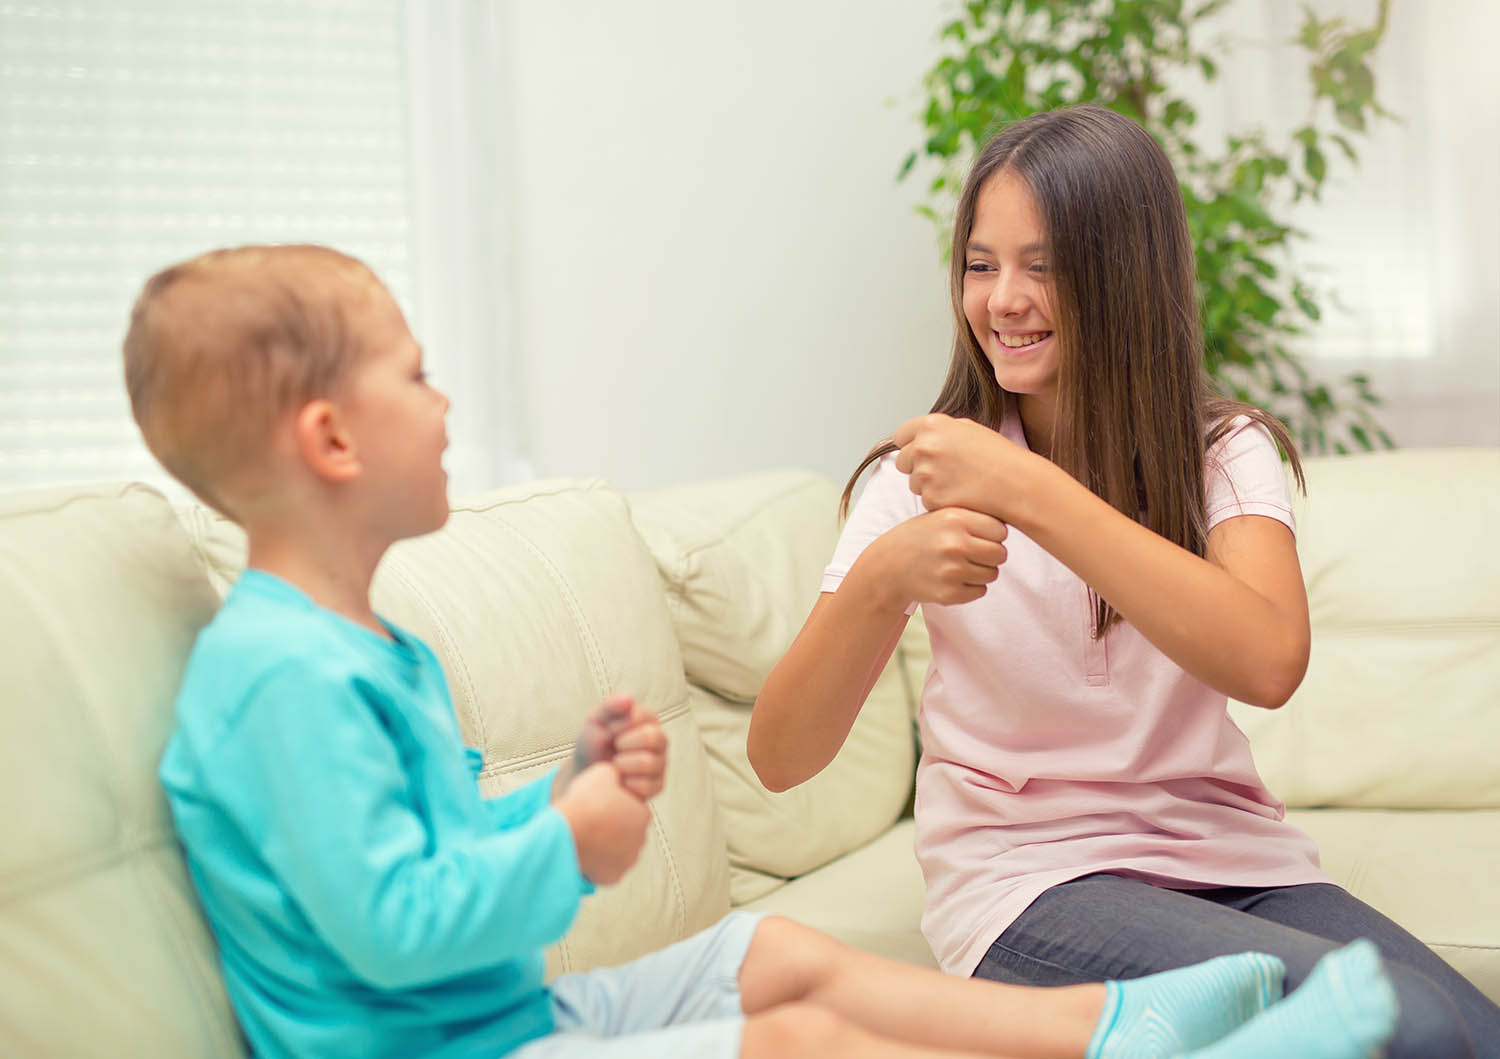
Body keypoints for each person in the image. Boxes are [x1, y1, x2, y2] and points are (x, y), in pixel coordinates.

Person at [127, 243, 1399, 1059]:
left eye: (1046, 265)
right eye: (416, 376)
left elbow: (431, 867)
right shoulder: (285, 679)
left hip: (491, 1011)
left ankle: (1126, 1027)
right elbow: (399, 931)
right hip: (441, 1040)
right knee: (794, 1038)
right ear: (333, 445)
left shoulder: (369, 650)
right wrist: (565, 839)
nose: (447, 401)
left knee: (773, 953)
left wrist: (557, 799)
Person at [748, 103, 1500, 1059]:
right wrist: (882, 579)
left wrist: (1028, 487)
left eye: (1044, 265)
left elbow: (1268, 659)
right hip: (1032, 883)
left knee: (1475, 1033)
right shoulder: (920, 482)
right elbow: (779, 756)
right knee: (1412, 1025)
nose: (1003, 299)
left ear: (1126, 274)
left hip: (1232, 861)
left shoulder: (1225, 455)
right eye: (981, 265)